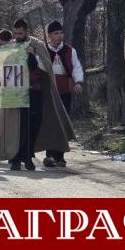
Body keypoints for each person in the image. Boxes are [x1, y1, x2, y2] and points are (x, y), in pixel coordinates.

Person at [6, 19, 75, 171]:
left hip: (35, 91)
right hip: (17, 93)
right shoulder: (11, 46)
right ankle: (16, 157)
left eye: (21, 33)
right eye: (16, 33)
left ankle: (28, 155)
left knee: (34, 124)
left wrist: (34, 56)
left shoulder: (37, 45)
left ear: (27, 32)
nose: (18, 36)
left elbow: (46, 66)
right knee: (19, 125)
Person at [43, 20, 84, 168]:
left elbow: (76, 67)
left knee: (62, 122)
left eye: (61, 33)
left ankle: (60, 156)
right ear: (49, 35)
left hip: (64, 90)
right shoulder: (43, 50)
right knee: (50, 122)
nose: (59, 36)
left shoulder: (69, 50)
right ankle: (49, 155)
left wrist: (78, 82)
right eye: (56, 33)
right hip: (48, 91)